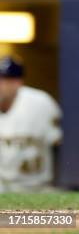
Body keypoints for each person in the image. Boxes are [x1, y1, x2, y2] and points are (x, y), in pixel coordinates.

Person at [0, 57, 62, 192]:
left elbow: (63, 143)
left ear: (18, 82)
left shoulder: (40, 103)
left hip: (37, 186)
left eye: (5, 80)